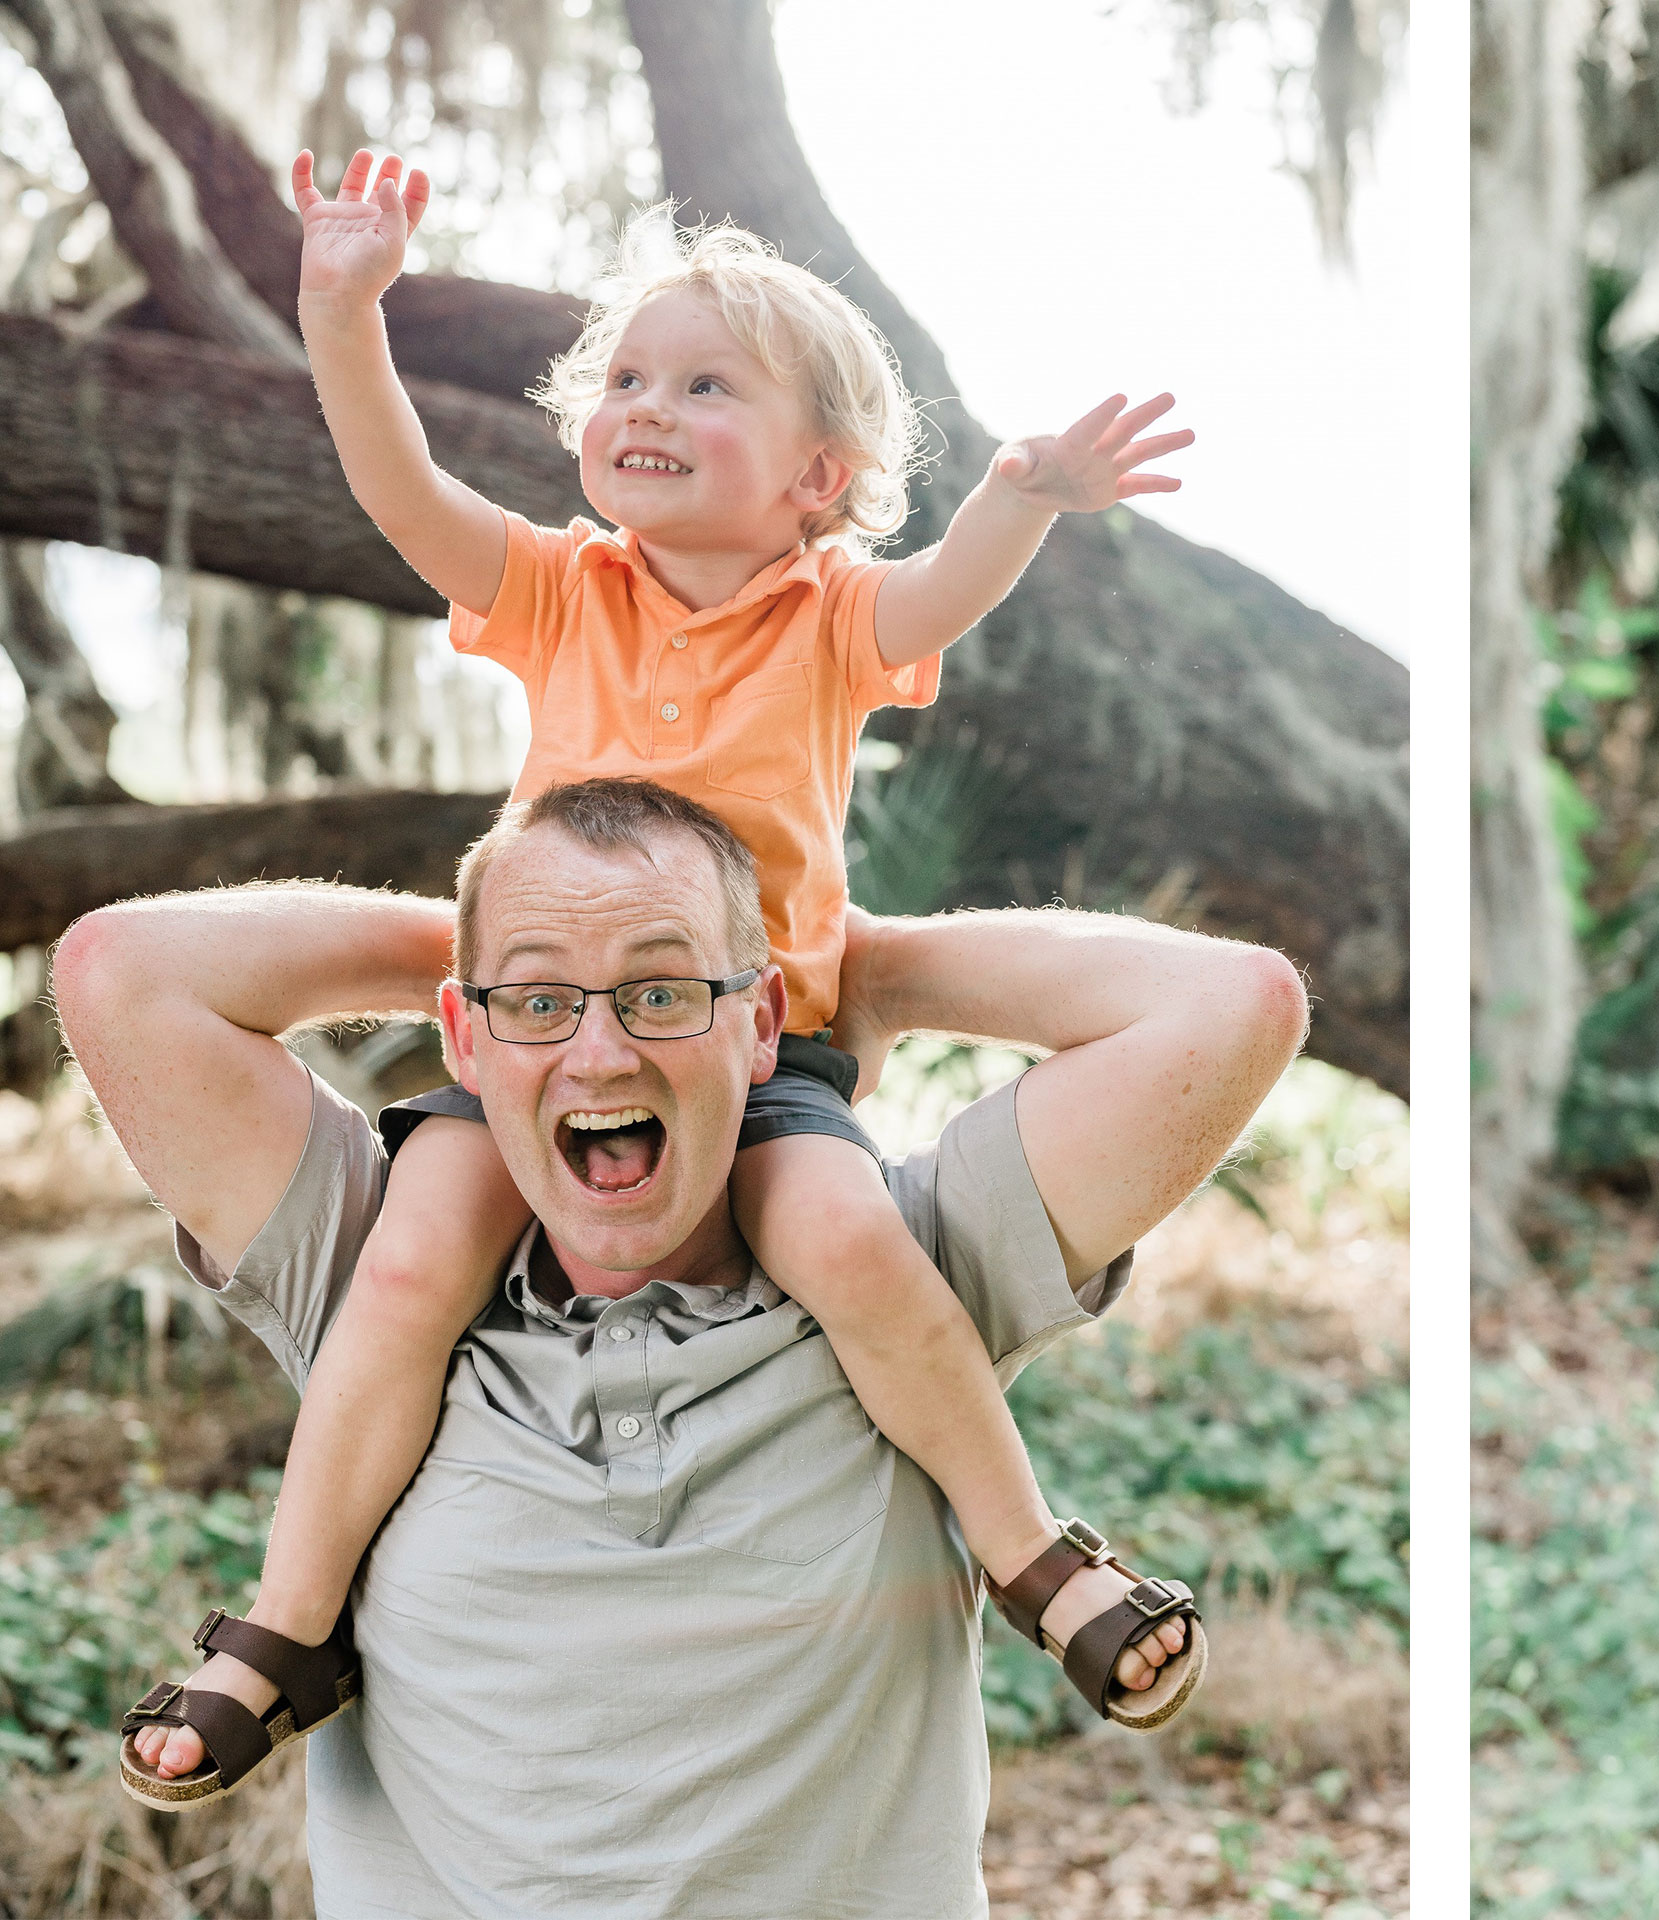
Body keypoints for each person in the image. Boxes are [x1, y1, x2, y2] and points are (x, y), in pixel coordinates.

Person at [114, 146, 1209, 1803]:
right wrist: (344, 312)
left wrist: (1026, 493)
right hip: (540, 1040)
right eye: (628, 375)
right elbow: (400, 491)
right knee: (411, 1261)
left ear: (815, 479)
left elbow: (944, 592)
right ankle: (286, 1619)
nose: (647, 402)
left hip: (762, 1053)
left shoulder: (832, 614)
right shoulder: (563, 589)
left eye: (707, 385)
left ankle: (1031, 1550)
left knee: (844, 1234)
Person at [52, 776, 1307, 1913]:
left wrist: (856, 969)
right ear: (465, 1035)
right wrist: (503, 933)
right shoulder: (375, 1276)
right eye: (540, 1004)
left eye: (661, 990)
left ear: (759, 1027)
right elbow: (122, 974)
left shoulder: (910, 1275)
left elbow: (1230, 1005)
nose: (602, 1051)